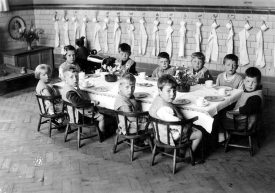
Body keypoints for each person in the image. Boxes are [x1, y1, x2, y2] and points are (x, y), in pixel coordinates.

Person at [149, 74, 202, 153]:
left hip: (159, 133)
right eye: (168, 91)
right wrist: (188, 126)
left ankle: (182, 151)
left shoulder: (158, 99)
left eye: (174, 91)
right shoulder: (164, 108)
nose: (172, 94)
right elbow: (177, 124)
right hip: (169, 136)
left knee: (188, 127)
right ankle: (188, 155)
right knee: (199, 133)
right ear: (160, 91)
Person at [60, 64, 105, 135]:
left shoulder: (66, 87)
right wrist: (91, 102)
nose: (75, 79)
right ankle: (103, 134)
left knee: (94, 108)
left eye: (76, 76)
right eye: (71, 77)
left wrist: (78, 89)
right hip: (78, 117)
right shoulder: (70, 92)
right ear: (65, 79)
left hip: (72, 114)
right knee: (102, 117)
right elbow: (77, 103)